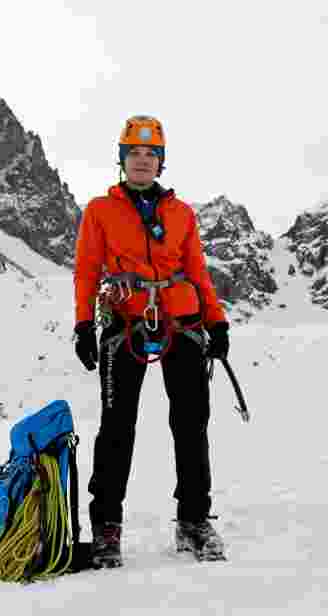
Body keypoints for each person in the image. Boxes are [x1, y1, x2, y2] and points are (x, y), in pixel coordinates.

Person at [72, 115, 231, 568]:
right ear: (122, 160)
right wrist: (84, 324)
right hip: (125, 323)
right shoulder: (100, 211)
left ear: (161, 163)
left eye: (150, 154)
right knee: (117, 427)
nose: (142, 161)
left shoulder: (182, 214)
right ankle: (106, 527)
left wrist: (216, 323)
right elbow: (87, 270)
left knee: (191, 423)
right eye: (134, 154)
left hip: (181, 322)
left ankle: (194, 520)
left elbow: (197, 270)